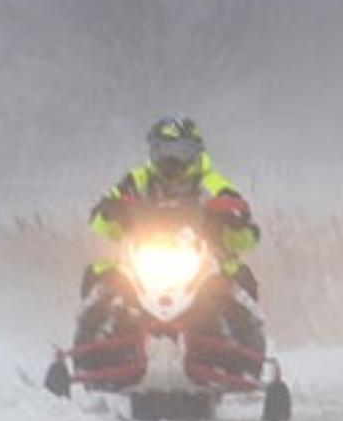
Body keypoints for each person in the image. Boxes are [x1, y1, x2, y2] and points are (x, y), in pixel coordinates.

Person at [76, 116, 265, 365]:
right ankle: (90, 353)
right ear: (153, 152)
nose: (171, 161)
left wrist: (233, 214)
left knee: (236, 280)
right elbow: (102, 216)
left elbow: (240, 216)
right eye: (164, 152)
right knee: (101, 278)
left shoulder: (209, 181)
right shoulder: (138, 180)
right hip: (143, 254)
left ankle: (245, 358)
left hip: (203, 257)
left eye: (181, 152)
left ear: (195, 153)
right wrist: (110, 209)